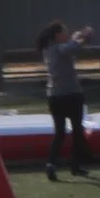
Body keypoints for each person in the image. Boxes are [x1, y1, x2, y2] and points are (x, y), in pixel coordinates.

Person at [36, 19, 94, 181]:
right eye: (64, 31)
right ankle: (74, 165)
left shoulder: (49, 49)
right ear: (57, 35)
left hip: (55, 96)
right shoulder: (58, 48)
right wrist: (81, 35)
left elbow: (72, 47)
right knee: (76, 130)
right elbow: (72, 47)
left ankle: (52, 164)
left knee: (61, 133)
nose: (67, 34)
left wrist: (80, 38)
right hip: (71, 94)